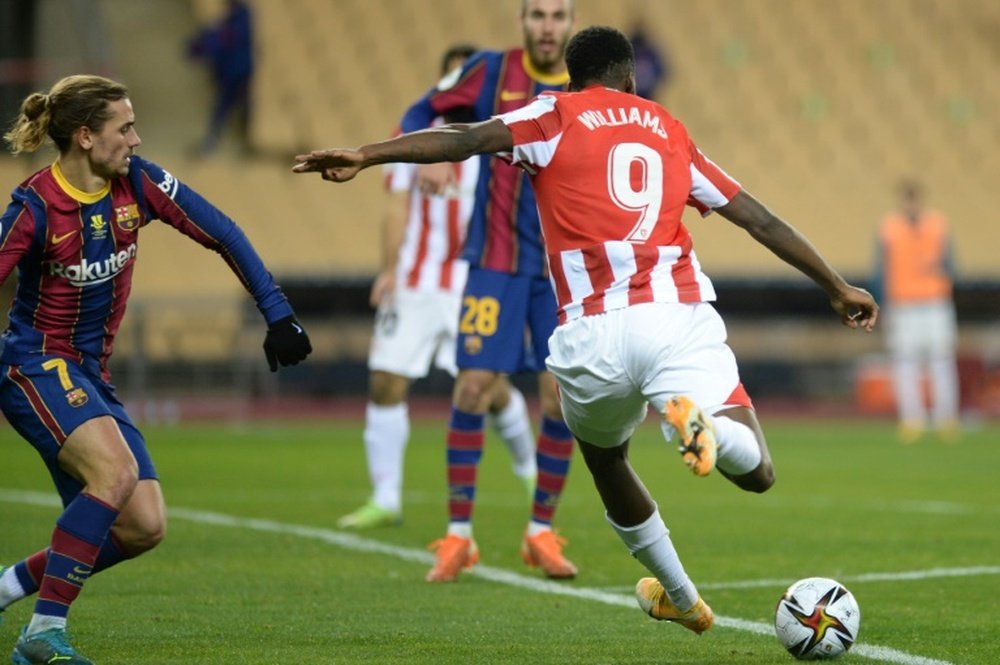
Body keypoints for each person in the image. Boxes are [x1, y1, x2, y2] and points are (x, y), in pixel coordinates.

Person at [292, 25, 878, 633]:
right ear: (629, 78)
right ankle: (709, 431)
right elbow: (758, 218)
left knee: (606, 459)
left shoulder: (551, 114)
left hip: (589, 334)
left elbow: (464, 138)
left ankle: (680, 595)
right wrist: (837, 286)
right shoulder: (669, 129)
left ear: (572, 78)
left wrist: (367, 154)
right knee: (756, 471)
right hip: (673, 316)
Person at [0, 74, 311, 664]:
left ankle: (8, 586)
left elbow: (224, 232)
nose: (137, 139)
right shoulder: (36, 206)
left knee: (142, 526)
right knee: (115, 476)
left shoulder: (140, 184)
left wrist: (278, 314)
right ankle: (42, 636)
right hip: (34, 365)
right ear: (87, 137)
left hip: (91, 373)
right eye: (125, 128)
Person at [382, 0, 579, 582]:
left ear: (571, 23)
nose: (548, 25)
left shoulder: (586, 85)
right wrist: (431, 148)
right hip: (495, 262)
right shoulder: (491, 71)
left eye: (558, 15)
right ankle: (459, 537)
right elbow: (421, 106)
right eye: (538, 14)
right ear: (523, 20)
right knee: (472, 387)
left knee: (559, 400)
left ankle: (541, 531)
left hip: (562, 269)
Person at [337, 44, 538, 530]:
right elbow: (397, 207)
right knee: (386, 378)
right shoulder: (410, 138)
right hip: (417, 276)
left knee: (488, 389)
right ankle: (386, 497)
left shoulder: (498, 138)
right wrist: (388, 270)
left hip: (475, 278)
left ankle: (530, 470)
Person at [874, 179, 960, 443]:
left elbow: (952, 265)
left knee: (941, 360)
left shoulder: (938, 225)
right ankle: (912, 419)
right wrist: (882, 304)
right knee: (905, 362)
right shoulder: (889, 229)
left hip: (935, 301)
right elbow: (880, 271)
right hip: (903, 303)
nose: (910, 204)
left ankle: (946, 417)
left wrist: (941, 272)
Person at [186, 0, 254, 155]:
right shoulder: (230, 21)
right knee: (225, 109)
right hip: (231, 73)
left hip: (237, 72)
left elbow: (224, 39)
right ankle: (216, 142)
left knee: (236, 109)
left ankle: (241, 145)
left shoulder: (240, 19)